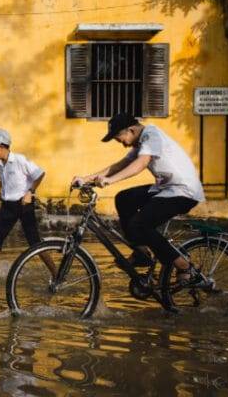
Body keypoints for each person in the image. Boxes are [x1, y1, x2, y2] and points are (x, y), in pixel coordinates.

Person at [71, 113, 205, 284]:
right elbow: (120, 165)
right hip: (166, 188)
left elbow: (141, 164)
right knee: (124, 199)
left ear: (131, 130)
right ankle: (141, 252)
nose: (121, 144)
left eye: (120, 138)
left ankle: (184, 266)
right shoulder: (141, 141)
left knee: (139, 225)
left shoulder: (152, 135)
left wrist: (110, 180)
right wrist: (87, 178)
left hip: (184, 191)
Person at [0, 128, 56, 277]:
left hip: (23, 204)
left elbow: (40, 174)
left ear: (1, 146)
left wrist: (30, 192)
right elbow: (3, 181)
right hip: (8, 206)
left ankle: (55, 272)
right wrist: (1, 195)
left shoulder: (19, 160)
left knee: (34, 242)